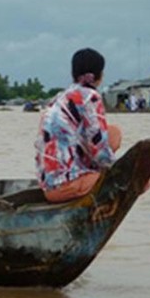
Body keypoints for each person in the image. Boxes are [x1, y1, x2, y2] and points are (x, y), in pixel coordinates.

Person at [35, 48, 122, 203]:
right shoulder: (90, 97)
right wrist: (124, 172)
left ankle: (90, 175)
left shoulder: (60, 97)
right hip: (66, 184)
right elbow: (99, 148)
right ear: (99, 76)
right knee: (131, 178)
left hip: (48, 185)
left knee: (112, 132)